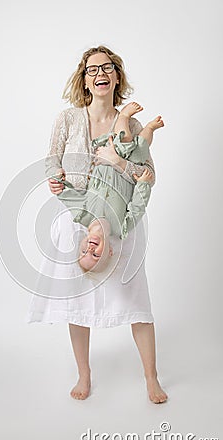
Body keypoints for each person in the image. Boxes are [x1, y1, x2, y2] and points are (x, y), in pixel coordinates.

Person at [26, 45, 168, 403]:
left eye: (107, 68)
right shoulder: (67, 119)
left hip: (118, 216)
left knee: (136, 297)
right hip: (78, 219)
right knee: (79, 301)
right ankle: (84, 375)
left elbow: (148, 176)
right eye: (92, 70)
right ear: (85, 79)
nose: (100, 73)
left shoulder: (133, 125)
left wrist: (117, 164)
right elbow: (51, 161)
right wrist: (55, 177)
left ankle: (151, 378)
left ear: (116, 76)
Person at [52, 102, 163, 272]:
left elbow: (67, 195)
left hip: (107, 153)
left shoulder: (82, 215)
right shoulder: (122, 228)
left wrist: (59, 182)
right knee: (141, 147)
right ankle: (151, 128)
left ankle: (124, 116)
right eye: (95, 255)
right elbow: (137, 206)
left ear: (80, 243)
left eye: (83, 252)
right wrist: (143, 185)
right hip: (130, 165)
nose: (90, 249)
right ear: (110, 251)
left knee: (123, 139)